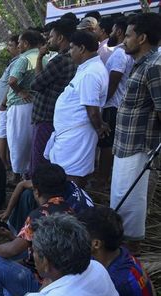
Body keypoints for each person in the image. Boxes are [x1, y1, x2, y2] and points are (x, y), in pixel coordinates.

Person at [0, 163, 73, 296]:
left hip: (43, 284)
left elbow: (12, 250)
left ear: (36, 191)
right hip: (64, 281)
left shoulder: (39, 215)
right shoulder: (70, 209)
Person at [111, 13, 161, 241]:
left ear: (142, 38)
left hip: (138, 148)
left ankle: (131, 252)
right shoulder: (141, 64)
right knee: (121, 200)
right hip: (125, 145)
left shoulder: (154, 67)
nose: (124, 40)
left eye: (128, 36)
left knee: (131, 204)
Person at [45, 30, 109, 184]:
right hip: (70, 134)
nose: (69, 51)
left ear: (82, 49)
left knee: (71, 177)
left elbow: (92, 110)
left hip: (76, 137)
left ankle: (71, 205)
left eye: (72, 47)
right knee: (65, 174)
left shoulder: (91, 73)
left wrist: (99, 127)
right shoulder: (87, 68)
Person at [30, 19, 77, 176]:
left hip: (45, 117)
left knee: (39, 162)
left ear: (60, 38)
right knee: (47, 159)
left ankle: (38, 195)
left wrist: (38, 58)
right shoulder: (73, 59)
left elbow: (36, 84)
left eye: (51, 37)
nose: (48, 40)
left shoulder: (59, 60)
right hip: (56, 117)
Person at [96, 17, 134, 187]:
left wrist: (101, 104)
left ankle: (102, 179)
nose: (110, 33)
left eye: (112, 30)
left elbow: (113, 82)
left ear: (119, 32)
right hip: (120, 103)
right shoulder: (127, 53)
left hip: (113, 104)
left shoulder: (120, 53)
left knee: (107, 144)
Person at [6, 30, 43, 182]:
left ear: (26, 43)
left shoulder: (24, 59)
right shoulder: (43, 57)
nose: (18, 45)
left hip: (19, 105)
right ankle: (27, 172)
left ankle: (16, 175)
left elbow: (12, 81)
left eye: (20, 42)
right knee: (29, 139)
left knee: (17, 140)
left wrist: (20, 91)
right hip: (34, 103)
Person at [0, 35, 21, 171]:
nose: (8, 48)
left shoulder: (19, 62)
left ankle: (3, 165)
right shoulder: (16, 61)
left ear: (19, 46)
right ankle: (6, 163)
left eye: (11, 45)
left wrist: (3, 102)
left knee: (2, 133)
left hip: (5, 105)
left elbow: (12, 83)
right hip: (4, 104)